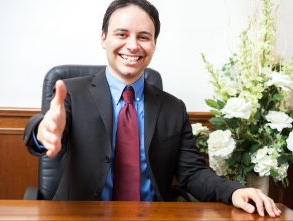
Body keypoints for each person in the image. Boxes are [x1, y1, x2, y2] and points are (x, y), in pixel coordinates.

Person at [23, 0, 281, 217]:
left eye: (143, 37)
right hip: (81, 217)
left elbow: (192, 173)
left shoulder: (173, 108)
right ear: (103, 38)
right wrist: (42, 132)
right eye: (121, 34)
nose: (133, 45)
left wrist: (234, 191)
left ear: (154, 45)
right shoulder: (70, 93)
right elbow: (45, 128)